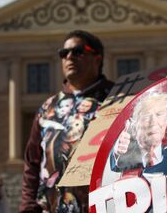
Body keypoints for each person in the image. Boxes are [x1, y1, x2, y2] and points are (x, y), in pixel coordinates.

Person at [21, 30, 115, 212]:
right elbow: (32, 163)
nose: (69, 57)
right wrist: (27, 206)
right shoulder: (48, 107)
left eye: (78, 51)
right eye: (64, 53)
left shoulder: (118, 99)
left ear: (97, 58)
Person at [112, 92, 167, 170]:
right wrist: (117, 153)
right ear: (135, 124)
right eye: (146, 116)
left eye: (159, 114)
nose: (153, 122)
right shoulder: (127, 157)